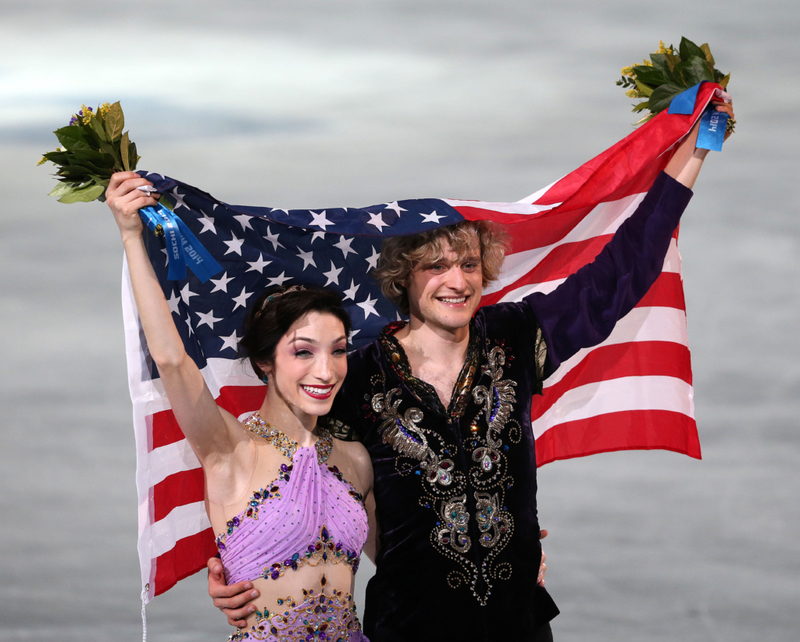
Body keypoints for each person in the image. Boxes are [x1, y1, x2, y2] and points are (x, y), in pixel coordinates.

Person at [208, 101, 735, 640]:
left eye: (468, 264)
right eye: (435, 266)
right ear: (402, 278)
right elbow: (285, 475)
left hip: (516, 623)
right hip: (409, 627)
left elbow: (623, 272)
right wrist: (237, 566)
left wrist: (698, 147)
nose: (456, 280)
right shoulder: (359, 375)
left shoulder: (515, 335)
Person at [106, 173, 376, 641]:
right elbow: (172, 361)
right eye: (304, 352)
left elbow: (407, 561)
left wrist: (506, 554)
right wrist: (131, 235)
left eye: (337, 350)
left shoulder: (354, 458)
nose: (326, 370)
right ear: (264, 362)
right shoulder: (231, 449)